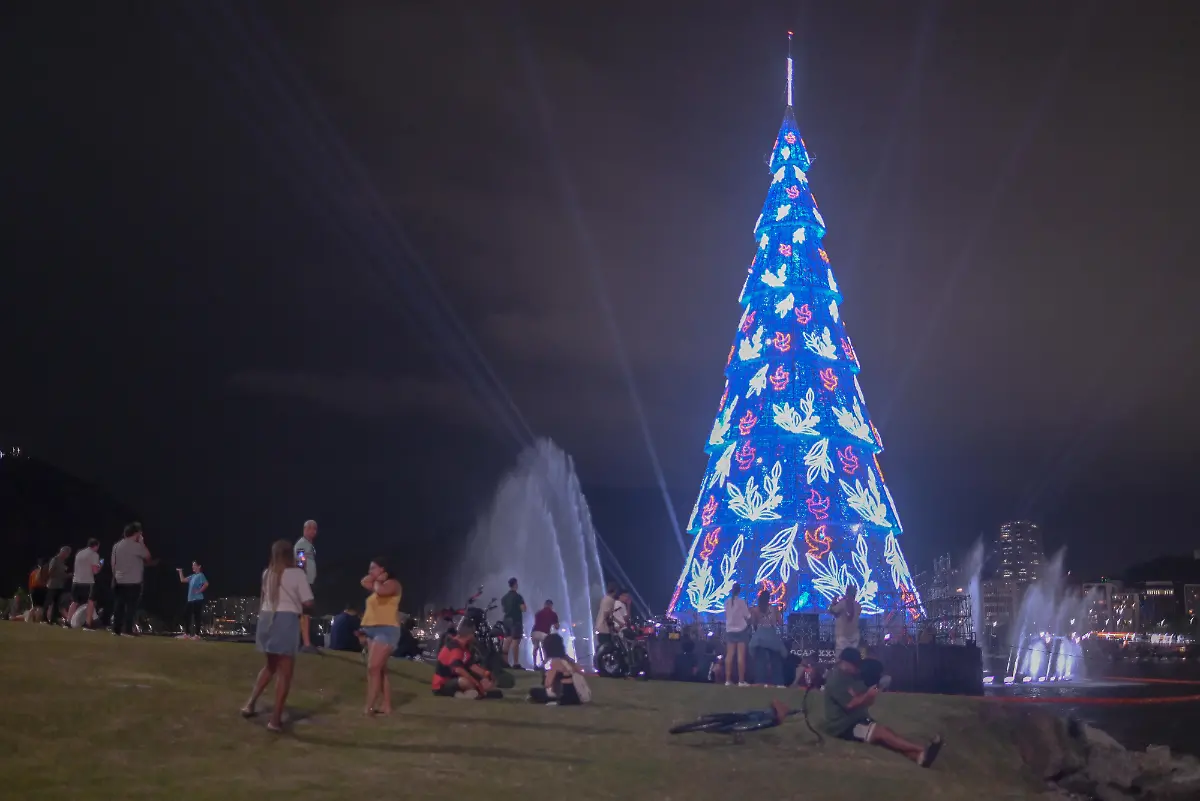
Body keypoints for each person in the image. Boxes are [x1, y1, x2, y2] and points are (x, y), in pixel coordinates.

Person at [823, 647, 943, 767]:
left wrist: (870, 694)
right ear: (845, 663)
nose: (857, 668)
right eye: (854, 665)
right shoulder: (836, 679)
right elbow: (850, 705)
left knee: (885, 737)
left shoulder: (852, 677)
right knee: (881, 733)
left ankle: (918, 758)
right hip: (842, 727)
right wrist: (866, 696)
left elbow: (865, 701)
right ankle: (921, 749)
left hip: (855, 720)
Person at [243, 540, 314, 733]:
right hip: (285, 620)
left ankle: (250, 704)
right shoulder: (297, 573)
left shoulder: (267, 573)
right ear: (290, 555)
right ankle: (275, 720)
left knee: (270, 665)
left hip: (267, 620)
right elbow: (308, 601)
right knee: (285, 672)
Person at [359, 558, 402, 716]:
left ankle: (369, 708)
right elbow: (364, 582)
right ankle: (387, 706)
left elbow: (381, 591)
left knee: (373, 668)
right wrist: (376, 577)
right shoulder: (378, 583)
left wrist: (378, 579)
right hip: (372, 630)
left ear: (383, 569)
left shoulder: (393, 584)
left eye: (373, 568)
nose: (370, 571)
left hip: (387, 630)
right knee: (380, 670)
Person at [432, 623, 501, 699]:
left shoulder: (464, 647)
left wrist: (486, 674)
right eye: (474, 634)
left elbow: (471, 665)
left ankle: (469, 693)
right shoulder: (454, 647)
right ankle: (465, 694)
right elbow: (458, 669)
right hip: (442, 684)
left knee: (483, 683)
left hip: (454, 679)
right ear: (469, 636)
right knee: (466, 682)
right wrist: (475, 682)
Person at [111, 523, 154, 636]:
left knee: (119, 605)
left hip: (119, 580)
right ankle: (127, 630)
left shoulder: (117, 545)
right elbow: (148, 557)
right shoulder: (136, 546)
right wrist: (142, 543)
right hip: (133, 581)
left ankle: (116, 629)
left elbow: (113, 564)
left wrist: (115, 576)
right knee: (131, 606)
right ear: (136, 533)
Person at [527, 633, 586, 705]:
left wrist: (546, 672)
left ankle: (552, 700)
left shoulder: (555, 662)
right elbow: (581, 671)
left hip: (564, 696)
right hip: (576, 695)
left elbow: (547, 684)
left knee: (533, 691)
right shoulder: (568, 660)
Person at [749, 588, 787, 686]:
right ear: (768, 598)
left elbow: (753, 623)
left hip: (759, 638)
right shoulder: (774, 609)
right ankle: (778, 683)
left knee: (760, 662)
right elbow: (780, 622)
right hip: (771, 636)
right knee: (775, 660)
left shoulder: (756, 609)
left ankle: (760, 682)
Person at [293, 520, 319, 652]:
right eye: (311, 528)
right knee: (305, 613)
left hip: (308, 581)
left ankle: (300, 642)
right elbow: (300, 561)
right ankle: (306, 644)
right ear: (304, 529)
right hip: (305, 582)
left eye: (315, 529)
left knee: (303, 613)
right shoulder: (302, 544)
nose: (313, 531)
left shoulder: (309, 545)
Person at [67, 539, 102, 629]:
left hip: (76, 581)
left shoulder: (79, 553)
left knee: (74, 602)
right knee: (90, 602)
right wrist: (99, 566)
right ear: (96, 546)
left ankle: (68, 622)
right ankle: (88, 623)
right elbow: (95, 571)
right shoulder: (94, 554)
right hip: (88, 582)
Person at [723, 582, 752, 687]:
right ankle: (741, 681)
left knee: (729, 655)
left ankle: (727, 680)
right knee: (740, 656)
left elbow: (727, 615)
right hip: (741, 630)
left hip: (730, 630)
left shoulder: (726, 602)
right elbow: (748, 616)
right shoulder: (741, 602)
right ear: (739, 591)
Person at [176, 561, 208, 639]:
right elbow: (182, 580)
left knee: (197, 617)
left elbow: (206, 584)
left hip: (198, 599)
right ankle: (187, 634)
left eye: (194, 565)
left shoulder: (201, 575)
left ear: (199, 566)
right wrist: (180, 572)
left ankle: (197, 635)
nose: (192, 567)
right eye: (192, 565)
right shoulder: (192, 576)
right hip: (190, 599)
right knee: (186, 615)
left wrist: (199, 591)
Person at [500, 577, 526, 670]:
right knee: (516, 641)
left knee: (507, 640)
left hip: (506, 620)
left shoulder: (504, 597)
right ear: (515, 584)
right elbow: (523, 609)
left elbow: (504, 609)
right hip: (515, 620)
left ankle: (505, 662)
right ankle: (516, 663)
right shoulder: (518, 597)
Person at [830, 585, 862, 654]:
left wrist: (833, 602)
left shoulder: (842, 604)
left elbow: (832, 611)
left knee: (842, 658)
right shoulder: (858, 606)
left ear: (847, 592)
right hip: (854, 636)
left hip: (842, 636)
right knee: (852, 658)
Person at [44, 546, 73, 624]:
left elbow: (62, 573)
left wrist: (67, 575)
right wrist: (64, 576)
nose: (68, 556)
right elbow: (50, 572)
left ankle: (53, 619)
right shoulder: (55, 560)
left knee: (56, 604)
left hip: (60, 585)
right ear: (63, 552)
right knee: (49, 602)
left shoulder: (62, 562)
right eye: (67, 553)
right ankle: (44, 619)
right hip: (52, 585)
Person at [594, 581, 620, 653]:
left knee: (603, 646)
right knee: (608, 647)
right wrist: (613, 626)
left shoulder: (604, 598)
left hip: (599, 626)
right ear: (615, 590)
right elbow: (607, 615)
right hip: (604, 628)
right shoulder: (611, 600)